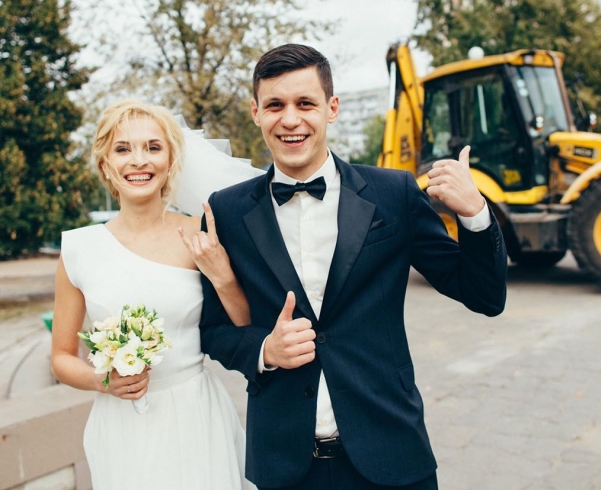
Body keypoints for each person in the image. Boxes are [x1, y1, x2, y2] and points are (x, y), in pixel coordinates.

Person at [196, 44, 507, 490]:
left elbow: (485, 296)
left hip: (392, 454)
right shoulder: (226, 212)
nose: (290, 119)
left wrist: (475, 214)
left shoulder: (393, 193)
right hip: (285, 464)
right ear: (256, 112)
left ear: (332, 108)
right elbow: (212, 329)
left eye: (305, 103)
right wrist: (264, 350)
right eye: (275, 105)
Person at [51, 99, 256, 490]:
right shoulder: (78, 249)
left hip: (195, 417)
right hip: (121, 426)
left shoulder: (201, 232)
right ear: (105, 164)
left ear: (170, 160)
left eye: (153, 147)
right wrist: (102, 381)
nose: (139, 160)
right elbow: (61, 357)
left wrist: (223, 276)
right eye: (123, 148)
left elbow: (245, 324)